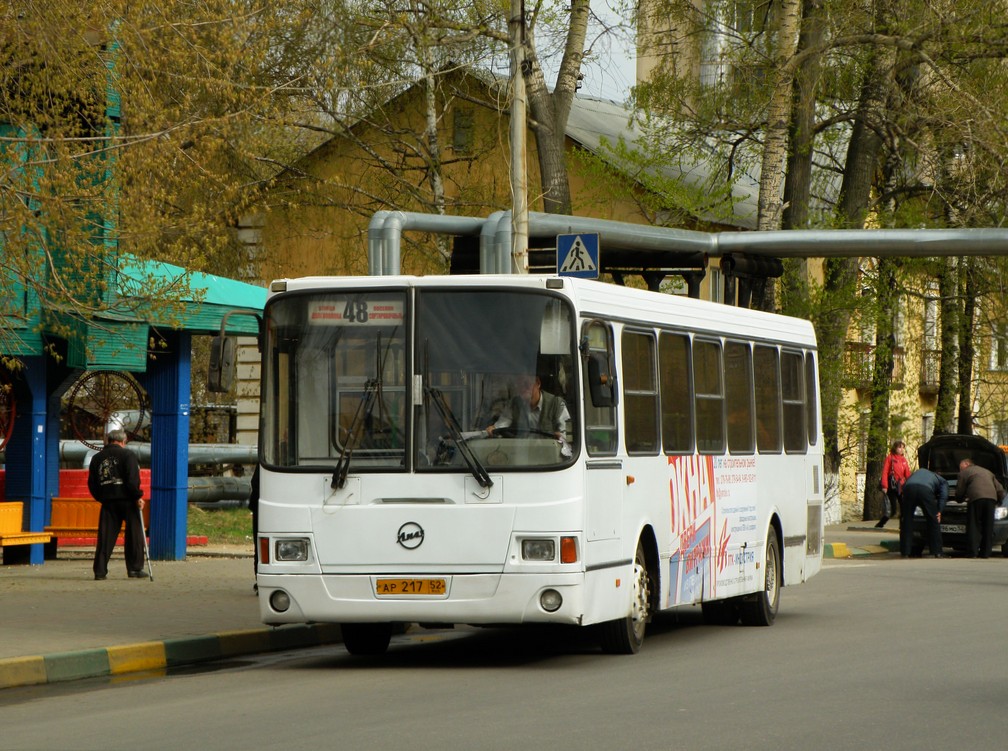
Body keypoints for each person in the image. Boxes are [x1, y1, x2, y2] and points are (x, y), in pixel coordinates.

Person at [88, 428, 146, 580]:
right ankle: (134, 569)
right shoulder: (128, 455)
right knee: (134, 534)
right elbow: (132, 480)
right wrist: (138, 496)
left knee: (105, 537)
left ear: (109, 440)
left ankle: (100, 571)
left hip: (108, 502)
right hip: (128, 501)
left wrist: (102, 497)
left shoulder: (97, 458)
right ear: (123, 441)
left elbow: (92, 484)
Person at [956, 458, 1006, 558]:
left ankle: (972, 553)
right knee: (988, 526)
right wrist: (999, 501)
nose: (960, 470)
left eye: (960, 467)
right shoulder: (988, 472)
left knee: (974, 526)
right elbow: (1000, 490)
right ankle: (986, 553)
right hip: (991, 499)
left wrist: (959, 499)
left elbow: (960, 490)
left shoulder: (964, 473)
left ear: (966, 464)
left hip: (976, 499)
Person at [900, 467, 948, 558]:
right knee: (933, 520)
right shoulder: (942, 480)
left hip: (909, 489)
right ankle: (937, 552)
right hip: (925, 490)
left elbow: (905, 485)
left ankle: (906, 552)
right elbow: (943, 496)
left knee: (907, 521)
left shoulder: (918, 473)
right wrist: (939, 511)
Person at [878, 440, 911, 528]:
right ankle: (881, 523)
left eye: (903, 447)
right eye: (899, 447)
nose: (901, 449)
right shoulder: (890, 458)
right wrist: (884, 486)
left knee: (904, 505)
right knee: (893, 509)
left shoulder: (903, 460)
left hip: (901, 486)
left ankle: (903, 525)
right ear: (895, 448)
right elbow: (885, 472)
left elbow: (907, 473)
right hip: (891, 486)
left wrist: (911, 483)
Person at [249, 464, 260, 594]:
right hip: (260, 506)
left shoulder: (265, 462)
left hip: (259, 506)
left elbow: (254, 482)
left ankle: (259, 579)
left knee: (259, 544)